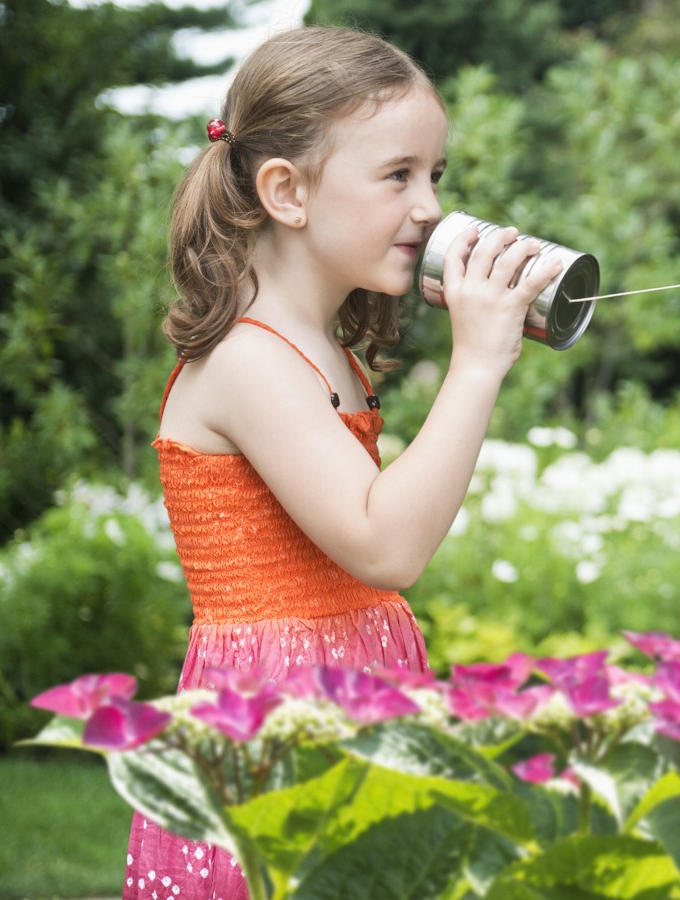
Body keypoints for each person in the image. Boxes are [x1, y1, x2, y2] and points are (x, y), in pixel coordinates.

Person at [124, 26, 560, 898]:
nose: (430, 206)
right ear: (287, 192)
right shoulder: (250, 361)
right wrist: (477, 364)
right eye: (398, 175)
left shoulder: (322, 351)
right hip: (281, 725)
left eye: (435, 175)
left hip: (355, 690)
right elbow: (384, 547)